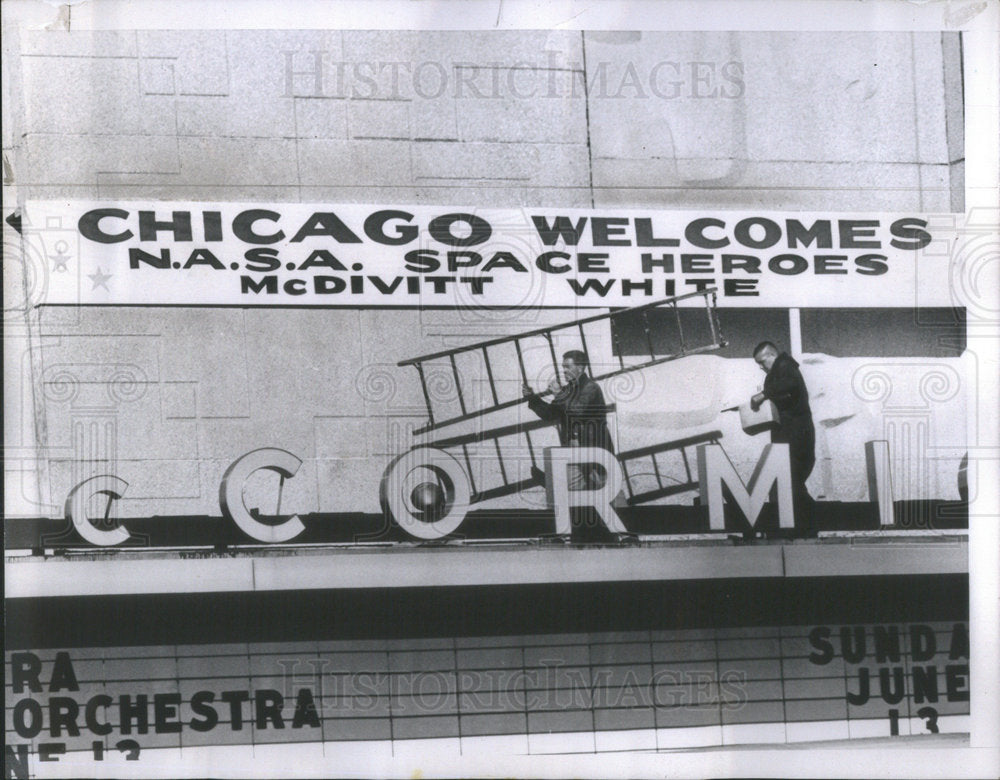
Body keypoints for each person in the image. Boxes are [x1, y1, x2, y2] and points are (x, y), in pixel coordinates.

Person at [521, 349, 614, 491]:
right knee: (573, 488)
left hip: (593, 446)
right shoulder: (568, 391)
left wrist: (559, 394)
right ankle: (558, 489)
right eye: (563, 367)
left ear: (580, 368)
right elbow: (549, 414)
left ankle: (621, 511)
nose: (564, 370)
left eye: (567, 367)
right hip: (574, 445)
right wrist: (532, 398)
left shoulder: (591, 388)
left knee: (604, 487)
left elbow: (577, 411)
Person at [750, 341, 817, 536]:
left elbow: (790, 384)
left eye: (762, 362)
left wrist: (763, 394)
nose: (761, 367)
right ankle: (802, 527)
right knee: (789, 484)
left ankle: (808, 525)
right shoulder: (779, 371)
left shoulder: (785, 366)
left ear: (772, 355)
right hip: (791, 439)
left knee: (790, 483)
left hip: (796, 440)